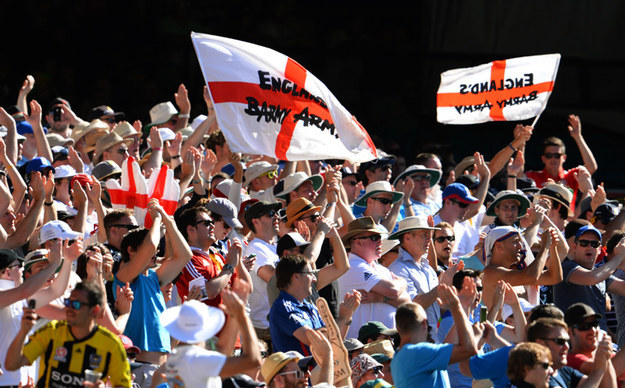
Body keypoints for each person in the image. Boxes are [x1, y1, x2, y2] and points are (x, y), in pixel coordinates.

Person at [5, 281, 131, 387]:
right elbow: (11, 365)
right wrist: (23, 331)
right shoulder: (52, 332)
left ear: (94, 310)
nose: (69, 309)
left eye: (76, 305)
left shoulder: (111, 345)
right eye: (68, 302)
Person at [158, 292, 261, 387]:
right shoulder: (198, 359)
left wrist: (235, 315)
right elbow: (253, 361)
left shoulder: (176, 357)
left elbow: (222, 352)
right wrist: (242, 316)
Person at [391, 285, 478, 388]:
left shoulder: (398, 356)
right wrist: (456, 307)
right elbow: (469, 349)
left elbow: (447, 346)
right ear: (424, 323)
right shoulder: (419, 352)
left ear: (397, 327)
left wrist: (463, 308)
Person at [338, 217, 411, 339]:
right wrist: (401, 284)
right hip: (361, 346)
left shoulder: (381, 269)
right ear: (358, 242)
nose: (380, 242)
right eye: (374, 238)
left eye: (379, 238)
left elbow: (407, 301)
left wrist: (381, 298)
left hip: (385, 343)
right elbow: (393, 290)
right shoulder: (353, 266)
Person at [553, 225, 625, 331]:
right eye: (584, 243)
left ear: (600, 249)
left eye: (594, 244)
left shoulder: (600, 273)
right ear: (574, 247)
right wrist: (619, 257)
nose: (589, 247)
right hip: (574, 342)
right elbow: (591, 279)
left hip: (598, 339)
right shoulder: (566, 267)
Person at [387, 215, 449, 337]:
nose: (429, 239)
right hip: (417, 340)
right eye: (424, 234)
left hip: (434, 338)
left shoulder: (428, 269)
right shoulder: (398, 268)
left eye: (429, 234)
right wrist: (441, 286)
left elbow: (437, 308)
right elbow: (412, 307)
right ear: (408, 237)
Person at [482, 226, 563, 308]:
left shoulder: (518, 271)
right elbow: (531, 277)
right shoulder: (490, 273)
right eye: (515, 242)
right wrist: (545, 246)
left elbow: (554, 277)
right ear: (499, 246)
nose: (520, 246)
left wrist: (552, 246)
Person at [526, 317, 612, 387]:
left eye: (567, 341)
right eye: (560, 341)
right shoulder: (535, 375)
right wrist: (598, 370)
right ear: (541, 343)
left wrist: (605, 357)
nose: (566, 346)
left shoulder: (564, 371)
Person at [243, 200, 283, 346]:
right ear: (255, 221)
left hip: (277, 324)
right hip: (265, 329)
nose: (276, 217)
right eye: (271, 214)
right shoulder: (255, 248)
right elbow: (276, 280)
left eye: (277, 213)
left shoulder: (278, 246)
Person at [269, 255, 325, 354]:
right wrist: (343, 316)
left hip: (318, 368)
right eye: (310, 273)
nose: (314, 279)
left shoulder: (310, 307)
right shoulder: (283, 307)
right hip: (300, 369)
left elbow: (335, 340)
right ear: (296, 276)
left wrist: (347, 318)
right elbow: (313, 340)